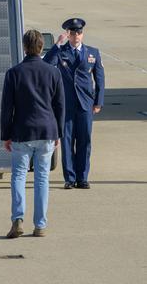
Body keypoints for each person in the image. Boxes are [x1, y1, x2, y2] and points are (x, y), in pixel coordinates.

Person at [1, 30, 65, 238]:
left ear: (25, 47)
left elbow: (7, 108)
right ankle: (40, 225)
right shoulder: (53, 72)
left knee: (19, 176)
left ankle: (17, 219)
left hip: (22, 131)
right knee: (42, 178)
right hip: (47, 130)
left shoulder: (14, 73)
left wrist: (6, 134)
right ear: (41, 47)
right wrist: (59, 132)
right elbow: (60, 105)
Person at [43, 18, 105, 189]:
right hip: (67, 105)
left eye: (78, 32)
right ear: (67, 34)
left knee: (84, 141)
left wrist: (98, 101)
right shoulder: (61, 52)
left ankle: (82, 177)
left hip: (86, 104)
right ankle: (69, 178)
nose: (76, 35)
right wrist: (56, 45)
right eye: (72, 33)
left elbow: (99, 78)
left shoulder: (93, 53)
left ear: (82, 34)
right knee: (67, 141)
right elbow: (46, 64)